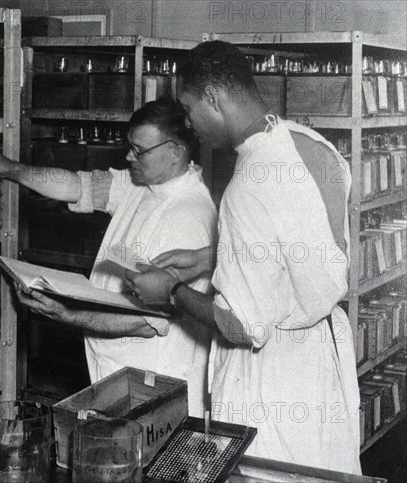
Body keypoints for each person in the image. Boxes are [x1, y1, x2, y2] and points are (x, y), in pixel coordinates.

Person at [125, 41, 361, 474]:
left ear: (214, 98)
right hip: (320, 356)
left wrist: (173, 291)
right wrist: (208, 258)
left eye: (190, 108)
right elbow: (302, 249)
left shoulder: (246, 185)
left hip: (272, 376)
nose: (190, 124)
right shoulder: (314, 146)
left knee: (269, 472)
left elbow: (240, 326)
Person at [0, 97, 218, 417]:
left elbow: (148, 323)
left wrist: (69, 315)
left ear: (175, 152)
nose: (130, 156)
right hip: (118, 371)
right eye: (130, 146)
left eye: (139, 150)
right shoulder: (142, 185)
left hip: (155, 385)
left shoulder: (190, 216)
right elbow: (76, 185)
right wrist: (9, 169)